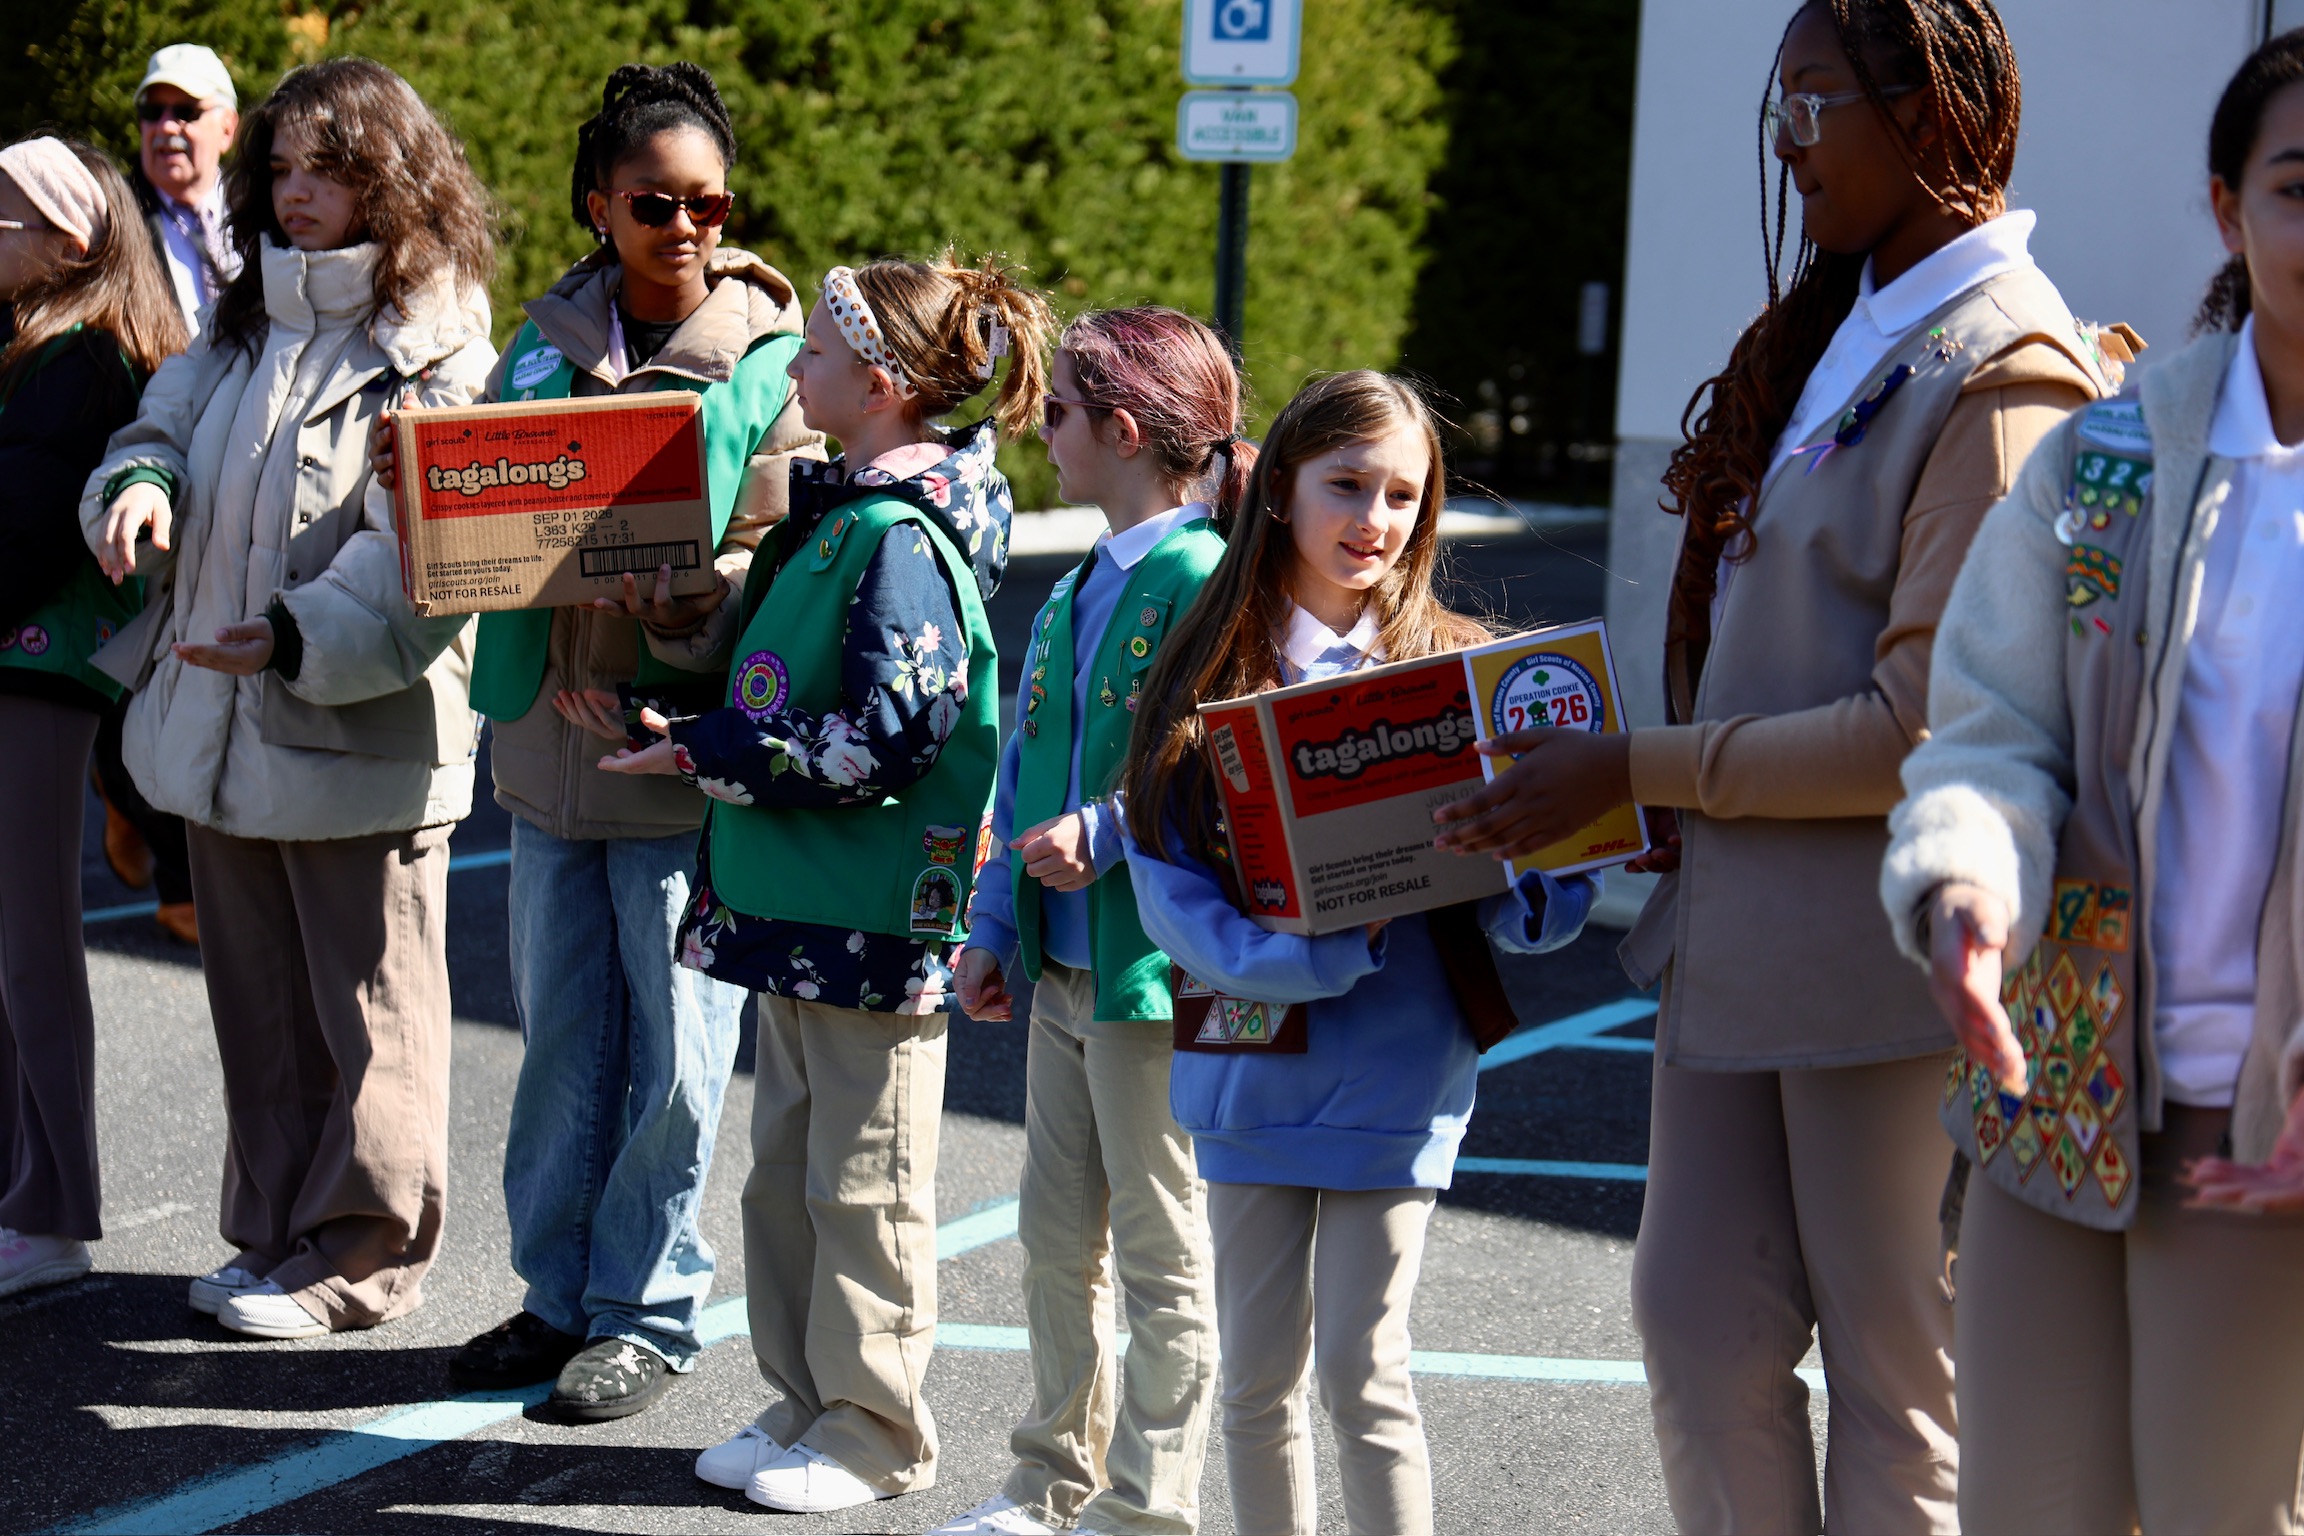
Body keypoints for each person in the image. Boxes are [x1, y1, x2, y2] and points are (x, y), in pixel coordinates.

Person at [1426, 3, 2126, 1529]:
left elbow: (1925, 731)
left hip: (1887, 965)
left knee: (1897, 1379)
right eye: (1778, 99)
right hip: (1743, 945)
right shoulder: (1851, 324)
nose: (1782, 138)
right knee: (1699, 1334)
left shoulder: (2009, 370)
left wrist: (1642, 769)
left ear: (1929, 112)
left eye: (1815, 101)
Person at [1881, 29, 2304, 1531]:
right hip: (2057, 1079)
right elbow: (1993, 730)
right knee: (2025, 1511)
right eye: (2299, 184)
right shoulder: (2105, 459)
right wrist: (1963, 892)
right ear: (2226, 207)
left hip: (2270, 1133)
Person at [373, 61, 819, 1422]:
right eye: (653, 202)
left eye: (708, 202)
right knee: (566, 1039)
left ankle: (648, 1314)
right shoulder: (536, 343)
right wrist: (428, 489)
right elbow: (492, 520)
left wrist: (687, 620)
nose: (684, 225)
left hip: (673, 756)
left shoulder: (774, 365)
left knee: (679, 1057)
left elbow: (782, 568)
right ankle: (558, 1296)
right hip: (548, 755)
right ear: (598, 205)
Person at [599, 252, 1052, 1514]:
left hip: (866, 914)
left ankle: (875, 1430)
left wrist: (712, 755)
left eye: (819, 355)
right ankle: (804, 1399)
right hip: (801, 909)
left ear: (886, 383)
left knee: (866, 1185)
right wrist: (690, 721)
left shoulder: (899, 537)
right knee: (790, 1169)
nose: (795, 366)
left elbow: (891, 732)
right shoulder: (847, 517)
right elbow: (797, 692)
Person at [1118, 370, 1597, 1536]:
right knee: (1255, 1382)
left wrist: (1539, 856)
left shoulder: (1464, 671)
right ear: (1279, 485)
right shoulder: (1203, 668)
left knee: (1364, 1376)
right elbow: (1166, 886)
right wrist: (1313, 959)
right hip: (1247, 1069)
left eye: (1402, 495)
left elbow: (1544, 901)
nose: (1374, 521)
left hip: (1399, 1073)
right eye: (1348, 485)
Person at [80, 56, 496, 1340]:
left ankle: (364, 1259)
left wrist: (299, 638)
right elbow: (152, 428)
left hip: (351, 725)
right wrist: (137, 486)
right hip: (220, 721)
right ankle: (272, 1236)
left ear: (395, 178)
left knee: (374, 1013)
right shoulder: (243, 320)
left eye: (329, 166)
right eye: (282, 166)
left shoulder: (442, 339)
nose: (297, 189)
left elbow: (429, 553)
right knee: (255, 1005)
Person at [936, 307, 1243, 1536]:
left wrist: (1107, 835)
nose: (1039, 430)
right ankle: (1049, 1481)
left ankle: (1145, 1509)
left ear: (1120, 432)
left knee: (1163, 1262)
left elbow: (1213, 761)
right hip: (1063, 979)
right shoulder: (1075, 586)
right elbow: (1020, 772)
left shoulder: (1203, 580)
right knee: (1057, 1247)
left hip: (1145, 985)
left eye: (1055, 411)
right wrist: (996, 929)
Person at [0, 136, 186, 1300]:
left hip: (37, 667)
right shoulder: (37, 350)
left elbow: (19, 532)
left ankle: (52, 1209)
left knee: (29, 946)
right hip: (24, 667)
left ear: (69, 240)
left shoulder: (82, 361)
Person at [95, 43, 237, 945]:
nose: (167, 129)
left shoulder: (270, 222)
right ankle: (135, 812)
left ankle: (188, 869)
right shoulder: (117, 231)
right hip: (143, 467)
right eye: (152, 113)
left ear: (228, 125)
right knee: (126, 681)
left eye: (187, 111)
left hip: (242, 475)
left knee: (214, 662)